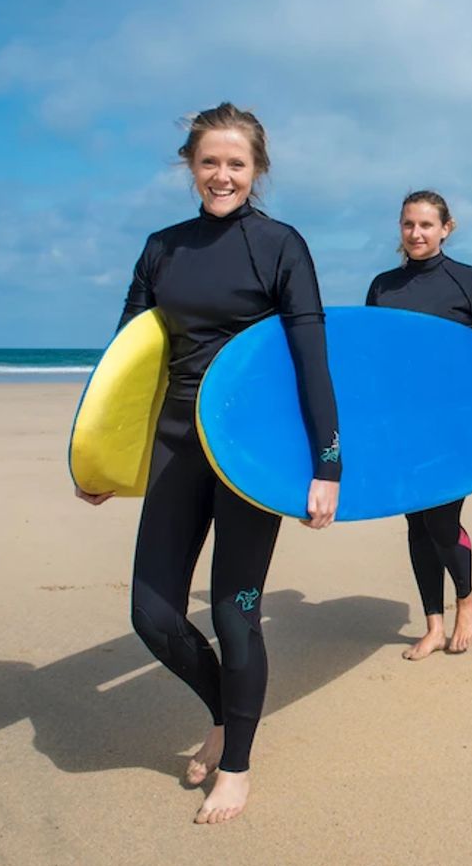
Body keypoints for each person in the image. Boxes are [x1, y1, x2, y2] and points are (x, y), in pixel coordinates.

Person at [75, 103, 341, 824]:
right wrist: (100, 456)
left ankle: (237, 763)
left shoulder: (281, 245)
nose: (222, 175)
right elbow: (126, 362)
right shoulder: (163, 248)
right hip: (174, 442)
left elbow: (311, 358)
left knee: (235, 612)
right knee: (153, 615)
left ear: (257, 171)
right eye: (210, 162)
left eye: (237, 163)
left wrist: (327, 463)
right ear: (190, 166)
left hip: (252, 449)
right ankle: (225, 710)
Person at [366, 190, 472, 661]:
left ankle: (465, 598)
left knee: (442, 521)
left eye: (426, 225)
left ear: (447, 228)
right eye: (408, 225)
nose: (416, 234)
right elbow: (374, 363)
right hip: (404, 424)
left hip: (454, 424)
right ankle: (433, 624)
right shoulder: (383, 287)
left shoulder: (469, 281)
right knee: (415, 522)